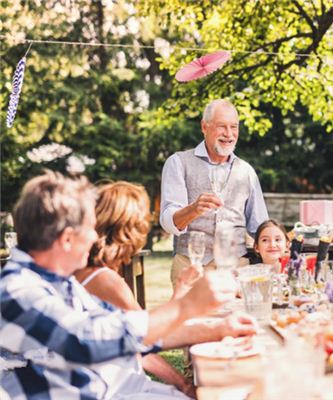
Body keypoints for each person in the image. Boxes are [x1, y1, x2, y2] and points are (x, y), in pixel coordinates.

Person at [0, 171, 255, 399]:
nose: (94, 237)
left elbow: (132, 332)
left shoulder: (60, 283)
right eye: (90, 229)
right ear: (67, 239)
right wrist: (185, 307)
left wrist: (220, 328)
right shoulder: (16, 289)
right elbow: (83, 340)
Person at [73, 181, 194, 397]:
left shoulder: (84, 270)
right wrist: (184, 386)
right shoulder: (106, 280)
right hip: (115, 388)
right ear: (130, 228)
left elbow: (136, 339)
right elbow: (147, 340)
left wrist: (180, 290)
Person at [160, 99, 269, 286]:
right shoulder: (178, 162)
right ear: (204, 127)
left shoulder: (246, 171)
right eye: (222, 127)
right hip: (191, 266)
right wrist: (194, 209)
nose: (229, 134)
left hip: (236, 268)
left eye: (234, 127)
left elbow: (258, 226)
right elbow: (168, 222)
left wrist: (280, 239)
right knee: (193, 317)